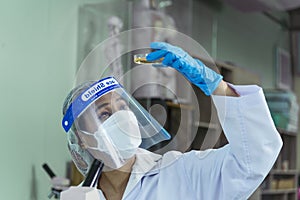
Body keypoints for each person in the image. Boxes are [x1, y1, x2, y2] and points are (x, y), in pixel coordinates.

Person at [61, 42, 283, 200]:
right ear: (82, 139)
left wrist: (217, 85)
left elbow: (254, 158)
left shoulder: (182, 173)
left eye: (123, 107)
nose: (121, 118)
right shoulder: (80, 196)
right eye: (105, 114)